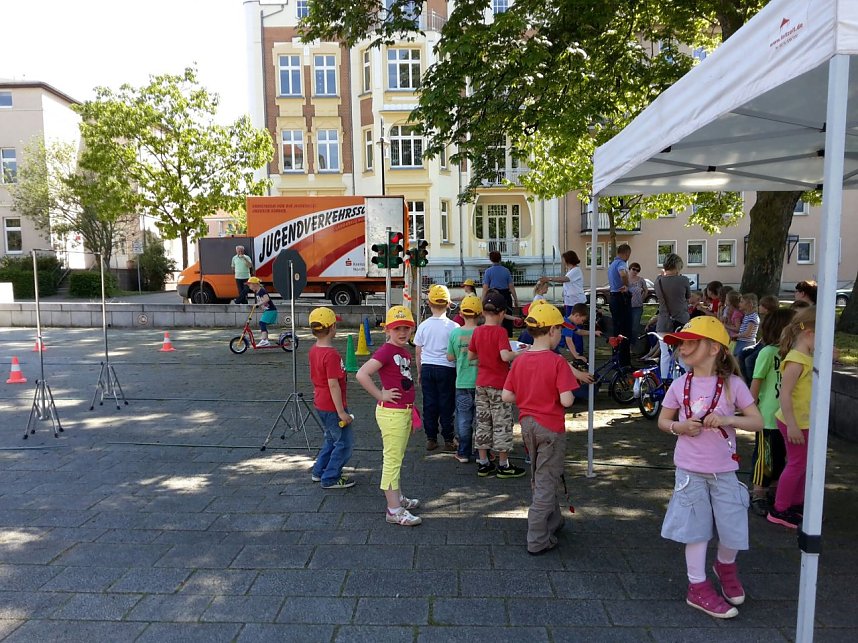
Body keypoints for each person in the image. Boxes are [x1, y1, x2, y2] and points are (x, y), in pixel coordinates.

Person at [658, 316, 764, 619]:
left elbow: (757, 422)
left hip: (724, 470)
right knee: (696, 530)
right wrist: (680, 427)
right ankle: (697, 587)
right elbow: (664, 421)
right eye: (682, 343)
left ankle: (725, 566)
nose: (683, 348)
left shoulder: (733, 385)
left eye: (692, 342)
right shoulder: (680, 385)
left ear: (715, 349)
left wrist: (729, 420)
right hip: (689, 471)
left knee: (733, 527)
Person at [502, 303, 579, 555]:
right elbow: (567, 400)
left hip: (526, 425)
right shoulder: (557, 362)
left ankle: (553, 521)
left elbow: (506, 396)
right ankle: (536, 537)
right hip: (551, 427)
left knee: (540, 472)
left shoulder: (520, 360)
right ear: (553, 331)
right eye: (560, 330)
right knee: (547, 477)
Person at [355, 305, 423, 527]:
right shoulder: (386, 351)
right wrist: (380, 394)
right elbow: (362, 374)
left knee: (397, 458)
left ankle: (398, 498)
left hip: (401, 412)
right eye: (397, 329)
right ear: (388, 331)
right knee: (392, 461)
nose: (403, 333)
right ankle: (393, 509)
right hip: (392, 414)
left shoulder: (401, 350)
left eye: (406, 328)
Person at [468, 289, 527, 479]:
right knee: (501, 423)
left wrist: (485, 356)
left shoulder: (478, 331)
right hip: (499, 384)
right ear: (502, 313)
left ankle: (483, 463)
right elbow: (504, 356)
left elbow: (471, 357)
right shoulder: (500, 332)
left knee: (483, 422)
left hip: (481, 383)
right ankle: (503, 464)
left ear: (483, 312)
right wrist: (518, 354)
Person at [767, 306, 815, 529]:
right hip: (794, 422)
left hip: (804, 421)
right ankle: (780, 508)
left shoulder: (808, 356)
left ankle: (795, 505)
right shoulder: (796, 359)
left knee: (802, 464)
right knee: (797, 464)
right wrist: (793, 425)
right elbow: (784, 394)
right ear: (809, 334)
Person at [748, 308, 794, 517]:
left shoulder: (795, 355)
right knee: (765, 459)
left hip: (786, 418)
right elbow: (756, 384)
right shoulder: (767, 353)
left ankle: (775, 490)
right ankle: (758, 492)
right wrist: (750, 410)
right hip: (767, 418)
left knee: (781, 457)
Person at [308, 307, 355, 489]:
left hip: (320, 402)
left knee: (330, 439)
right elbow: (333, 384)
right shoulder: (331, 354)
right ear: (333, 327)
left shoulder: (314, 350)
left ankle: (319, 471)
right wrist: (341, 412)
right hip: (332, 406)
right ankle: (331, 477)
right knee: (344, 443)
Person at [414, 285, 459, 452]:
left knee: (430, 404)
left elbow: (418, 352)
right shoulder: (454, 327)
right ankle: (449, 438)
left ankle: (431, 438)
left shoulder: (423, 326)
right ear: (448, 304)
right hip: (447, 369)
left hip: (427, 368)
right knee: (447, 404)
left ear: (429, 303)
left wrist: (419, 372)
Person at [447, 295, 482, 464]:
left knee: (463, 419)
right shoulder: (482, 332)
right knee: (482, 419)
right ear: (480, 313)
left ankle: (463, 452)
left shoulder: (455, 333)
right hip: (481, 382)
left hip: (461, 382)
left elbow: (450, 357)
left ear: (461, 313)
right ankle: (483, 452)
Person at [654, 253, 691, 380]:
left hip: (663, 322)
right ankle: (684, 381)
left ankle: (664, 382)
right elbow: (688, 297)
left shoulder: (658, 281)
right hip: (681, 321)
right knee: (682, 353)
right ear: (677, 266)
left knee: (665, 355)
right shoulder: (683, 280)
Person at [482, 251, 519, 337]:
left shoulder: (488, 271)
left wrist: (483, 300)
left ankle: (494, 336)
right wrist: (516, 299)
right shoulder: (506, 271)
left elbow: (485, 287)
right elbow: (511, 286)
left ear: (490, 259)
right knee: (508, 317)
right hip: (506, 295)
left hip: (494, 296)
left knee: (493, 316)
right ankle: (508, 336)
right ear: (500, 259)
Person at [607, 243, 633, 366]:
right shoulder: (621, 264)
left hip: (613, 297)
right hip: (621, 297)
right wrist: (626, 285)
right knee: (625, 330)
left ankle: (616, 357)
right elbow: (623, 273)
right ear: (626, 253)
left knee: (616, 329)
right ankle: (624, 361)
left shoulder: (611, 264)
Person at [539, 250, 585, 316]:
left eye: (564, 260)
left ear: (568, 260)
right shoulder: (571, 270)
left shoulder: (576, 270)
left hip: (575, 302)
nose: (562, 262)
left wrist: (549, 279)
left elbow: (564, 279)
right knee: (569, 320)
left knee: (574, 321)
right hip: (570, 301)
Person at [245, 277, 276, 346]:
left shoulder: (262, 291)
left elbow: (267, 299)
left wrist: (259, 304)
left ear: (255, 284)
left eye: (250, 284)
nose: (249, 286)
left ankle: (264, 340)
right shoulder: (257, 292)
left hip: (271, 310)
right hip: (267, 311)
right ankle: (266, 341)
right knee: (262, 323)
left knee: (262, 323)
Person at [627, 261, 649, 353]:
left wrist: (642, 298)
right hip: (626, 306)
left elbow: (646, 290)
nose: (635, 271)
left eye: (637, 270)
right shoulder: (625, 279)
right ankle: (625, 346)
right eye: (633, 269)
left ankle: (632, 346)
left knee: (635, 327)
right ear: (630, 269)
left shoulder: (641, 280)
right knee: (627, 326)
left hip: (637, 306)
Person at [732, 293, 760, 359]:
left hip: (747, 342)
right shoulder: (747, 315)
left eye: (742, 302)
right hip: (742, 341)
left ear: (749, 304)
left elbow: (748, 333)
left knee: (739, 360)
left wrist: (736, 335)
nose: (739, 304)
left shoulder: (753, 317)